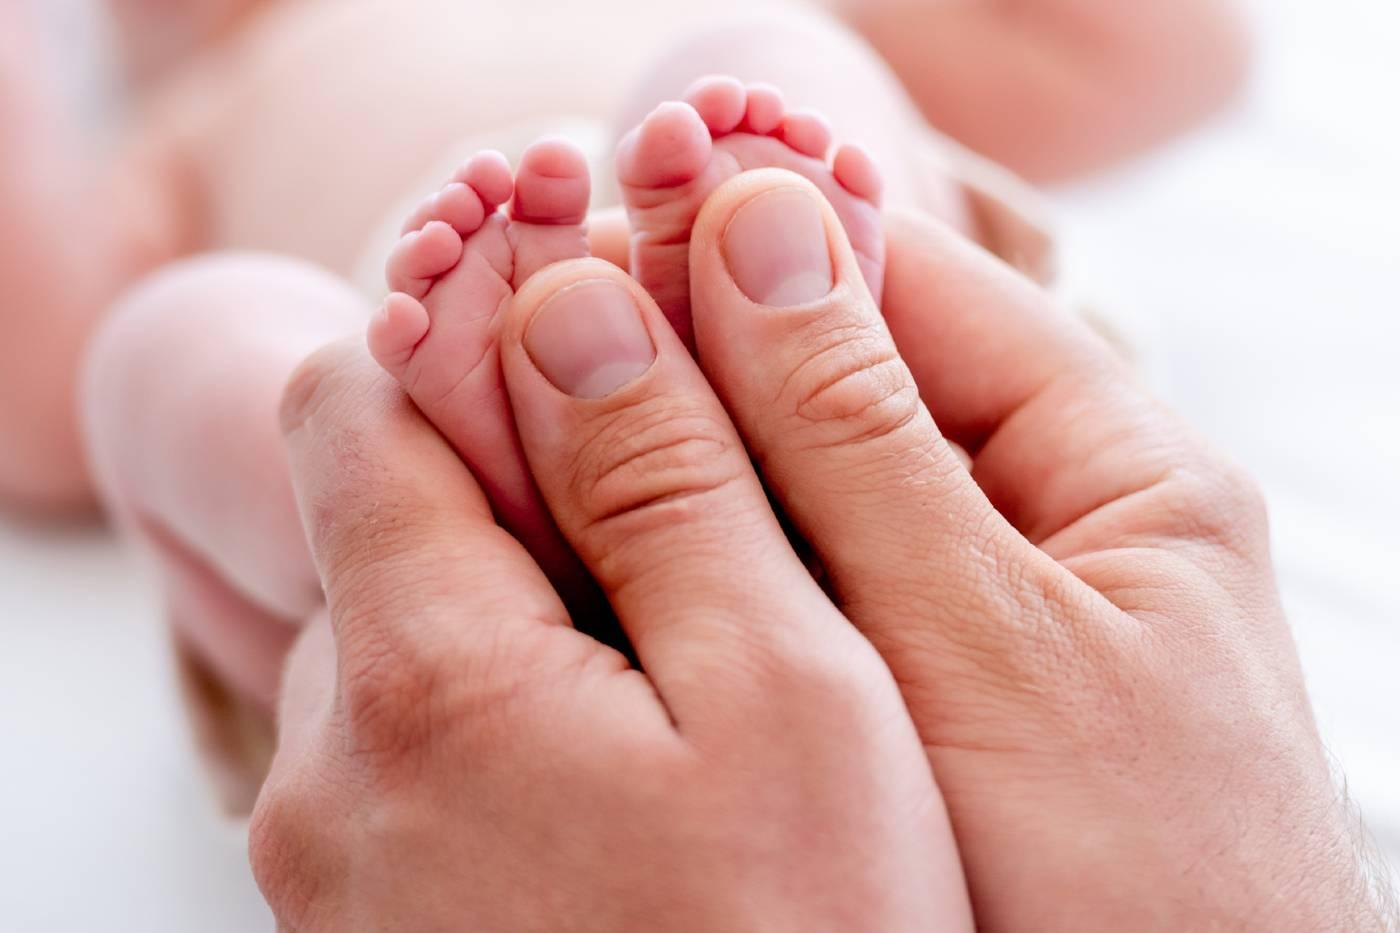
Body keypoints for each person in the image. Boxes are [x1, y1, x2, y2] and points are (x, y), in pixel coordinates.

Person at [252, 169, 1398, 930]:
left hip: (413, 345)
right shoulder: (210, 102)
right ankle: (747, 269)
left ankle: (528, 469)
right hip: (417, 429)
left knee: (227, 345)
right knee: (247, 353)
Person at [1, 0, 1249, 510]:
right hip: (391, 378)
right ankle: (371, 527)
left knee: (768, 58)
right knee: (175, 348)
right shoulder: (197, 118)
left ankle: (789, 267)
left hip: (870, 371)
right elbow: (37, 397)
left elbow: (1173, 51)